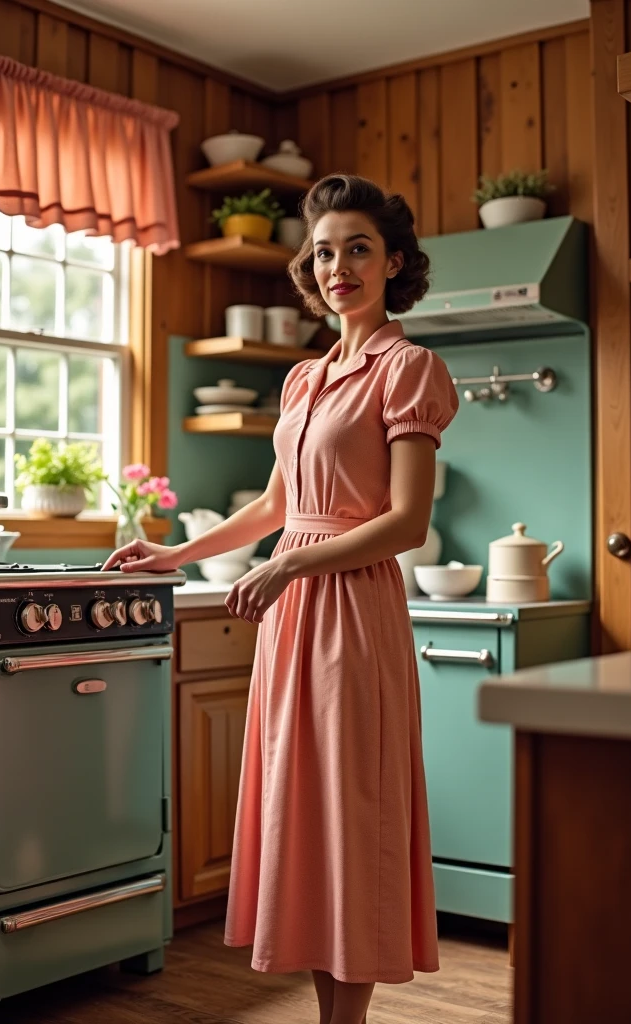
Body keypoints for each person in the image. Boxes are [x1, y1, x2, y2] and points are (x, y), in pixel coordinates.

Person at [102, 173, 459, 1024]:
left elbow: (406, 523)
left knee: (353, 812)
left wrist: (290, 567)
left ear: (394, 263)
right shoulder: (304, 381)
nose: (338, 266)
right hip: (293, 616)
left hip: (352, 612)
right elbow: (273, 508)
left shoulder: (407, 369)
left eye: (359, 249)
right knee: (302, 809)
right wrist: (176, 554)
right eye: (325, 251)